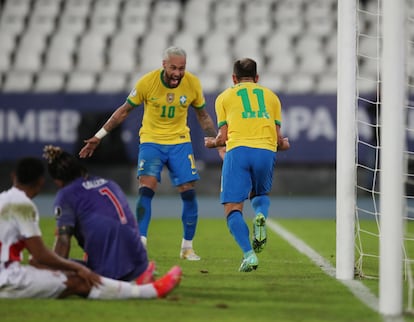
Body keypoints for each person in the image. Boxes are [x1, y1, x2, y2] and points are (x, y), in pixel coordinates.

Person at [79, 46, 220, 261]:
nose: (177, 73)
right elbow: (123, 111)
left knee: (188, 191)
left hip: (180, 142)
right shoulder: (147, 82)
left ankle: (187, 248)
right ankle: (141, 241)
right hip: (152, 141)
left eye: (181, 68)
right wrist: (99, 136)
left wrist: (217, 141)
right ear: (164, 65)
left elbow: (203, 115)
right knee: (147, 187)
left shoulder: (192, 83)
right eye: (173, 68)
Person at [0, 157, 182, 299]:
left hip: (9, 277)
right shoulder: (108, 182)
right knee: (76, 277)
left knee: (69, 275)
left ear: (13, 176)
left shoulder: (5, 199)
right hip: (137, 256)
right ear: (40, 182)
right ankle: (144, 282)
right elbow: (42, 254)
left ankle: (143, 286)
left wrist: (73, 268)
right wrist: (78, 267)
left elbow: (49, 253)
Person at [204, 58, 290, 272]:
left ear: (234, 78)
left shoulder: (224, 97)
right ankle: (260, 215)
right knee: (260, 194)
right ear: (257, 78)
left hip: (239, 151)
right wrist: (284, 144)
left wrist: (211, 143)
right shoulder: (272, 97)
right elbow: (279, 140)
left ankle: (249, 255)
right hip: (265, 151)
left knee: (232, 208)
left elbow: (223, 138)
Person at [42, 145, 155, 284]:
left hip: (110, 268)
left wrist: (52, 274)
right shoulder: (109, 183)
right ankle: (140, 276)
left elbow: (63, 241)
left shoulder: (66, 195)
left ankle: (124, 286)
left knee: (45, 267)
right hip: (140, 260)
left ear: (57, 181)